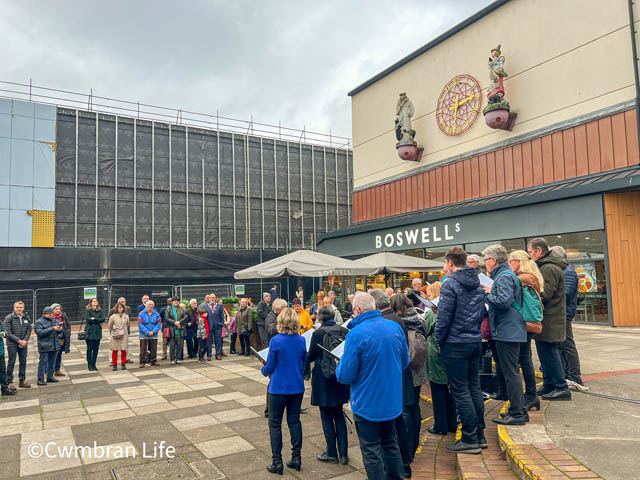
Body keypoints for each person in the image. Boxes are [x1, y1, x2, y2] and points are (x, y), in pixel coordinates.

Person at [337, 293, 409, 480]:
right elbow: (404, 362)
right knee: (390, 443)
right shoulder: (394, 327)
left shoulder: (356, 334)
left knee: (371, 450)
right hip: (391, 400)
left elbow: (345, 375)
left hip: (367, 403)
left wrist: (340, 362)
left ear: (357, 310)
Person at [435, 246, 486, 454]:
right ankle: (479, 434)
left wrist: (439, 340)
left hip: (455, 343)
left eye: (445, 263)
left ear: (450, 262)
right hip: (474, 340)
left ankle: (469, 437)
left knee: (460, 390)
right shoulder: (477, 282)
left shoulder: (451, 285)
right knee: (474, 388)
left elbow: (443, 318)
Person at [370, 289, 414, 478]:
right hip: (399, 376)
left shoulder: (388, 322)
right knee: (398, 423)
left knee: (396, 426)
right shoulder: (396, 319)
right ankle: (404, 464)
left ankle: (401, 466)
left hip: (392, 379)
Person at [481, 245, 527, 426]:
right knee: (511, 372)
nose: (484, 264)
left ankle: (516, 413)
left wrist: (487, 294)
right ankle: (518, 409)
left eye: (485, 260)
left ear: (493, 260)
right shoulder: (505, 275)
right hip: (509, 330)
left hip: (508, 331)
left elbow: (504, 301)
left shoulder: (504, 276)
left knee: (510, 373)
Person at [261, 307, 307, 475]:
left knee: (275, 424)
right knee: (294, 422)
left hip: (278, 388)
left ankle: (277, 462)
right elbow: (302, 363)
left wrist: (263, 370)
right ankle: (296, 457)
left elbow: (270, 366)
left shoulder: (276, 341)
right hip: (296, 386)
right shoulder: (301, 340)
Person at [527, 238, 571, 401]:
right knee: (544, 353)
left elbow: (546, 294)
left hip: (550, 319)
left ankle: (561, 387)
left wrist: (529, 294)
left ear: (539, 251)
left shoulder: (549, 268)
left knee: (550, 352)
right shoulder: (545, 266)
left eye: (531, 252)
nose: (530, 256)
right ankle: (549, 383)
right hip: (546, 318)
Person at [307, 306, 350, 464]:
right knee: (339, 415)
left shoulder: (318, 333)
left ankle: (331, 452)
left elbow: (311, 356)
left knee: (326, 415)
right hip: (339, 377)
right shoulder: (344, 331)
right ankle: (344, 454)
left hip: (323, 379)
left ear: (319, 318)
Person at [391, 294, 428, 461]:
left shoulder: (400, 323)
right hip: (419, 368)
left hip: (407, 370)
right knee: (415, 407)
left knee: (405, 409)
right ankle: (415, 442)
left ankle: (407, 447)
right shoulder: (419, 318)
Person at [508, 250, 543, 412]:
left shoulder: (522, 278)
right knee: (525, 359)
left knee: (525, 360)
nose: (509, 264)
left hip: (524, 323)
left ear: (520, 262)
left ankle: (530, 396)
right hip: (527, 323)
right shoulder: (530, 276)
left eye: (511, 261)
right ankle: (531, 395)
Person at [551, 246, 587, 391]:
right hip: (560, 313)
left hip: (563, 314)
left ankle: (574, 376)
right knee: (561, 345)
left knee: (567, 345)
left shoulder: (568, 272)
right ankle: (567, 373)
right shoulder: (563, 271)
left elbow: (565, 294)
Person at [424, 284, 457, 435]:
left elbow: (428, 330)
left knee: (438, 391)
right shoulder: (450, 308)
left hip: (435, 354)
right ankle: (451, 423)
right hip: (450, 352)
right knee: (450, 392)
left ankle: (440, 425)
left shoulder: (432, 311)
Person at [3, 301, 32, 390]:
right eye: (17, 307)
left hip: (23, 344)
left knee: (23, 362)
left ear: (23, 308)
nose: (19, 309)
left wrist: (25, 341)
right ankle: (9, 382)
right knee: (11, 362)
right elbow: (8, 333)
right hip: (12, 344)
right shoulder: (8, 318)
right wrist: (19, 341)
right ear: (14, 308)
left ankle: (22, 381)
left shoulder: (26, 317)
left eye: (21, 307)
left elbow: (29, 329)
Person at [35, 306, 62, 385]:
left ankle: (50, 377)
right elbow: (40, 333)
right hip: (44, 346)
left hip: (54, 345)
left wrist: (60, 330)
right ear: (45, 314)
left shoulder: (55, 320)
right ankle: (40, 379)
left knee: (52, 362)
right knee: (43, 363)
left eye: (52, 314)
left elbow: (58, 333)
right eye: (50, 314)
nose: (51, 315)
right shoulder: (39, 322)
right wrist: (52, 328)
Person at [138, 300, 161, 367]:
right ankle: (142, 362)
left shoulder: (156, 314)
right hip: (143, 334)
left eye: (152, 305)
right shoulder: (141, 314)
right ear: (146, 306)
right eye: (149, 305)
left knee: (154, 348)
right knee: (143, 349)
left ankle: (153, 361)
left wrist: (153, 331)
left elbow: (158, 324)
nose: (150, 306)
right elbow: (140, 324)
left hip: (154, 334)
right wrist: (147, 332)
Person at [165, 297, 186, 365]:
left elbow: (185, 317)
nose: (176, 302)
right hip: (172, 330)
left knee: (180, 345)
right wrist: (174, 322)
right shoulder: (168, 309)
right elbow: (166, 318)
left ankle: (178, 358)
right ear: (172, 302)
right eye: (174, 301)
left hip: (180, 329)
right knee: (172, 345)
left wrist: (179, 323)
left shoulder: (182, 309)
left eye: (177, 301)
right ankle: (172, 359)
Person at [84, 299, 105, 372]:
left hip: (97, 332)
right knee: (89, 349)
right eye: (93, 301)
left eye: (96, 301)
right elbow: (88, 319)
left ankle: (94, 364)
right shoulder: (88, 311)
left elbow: (103, 319)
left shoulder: (100, 311)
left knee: (96, 350)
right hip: (90, 332)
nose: (95, 302)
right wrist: (97, 319)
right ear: (90, 303)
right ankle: (89, 365)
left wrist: (94, 318)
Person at [51, 303, 71, 377]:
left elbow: (68, 325)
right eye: (56, 309)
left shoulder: (63, 316)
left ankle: (57, 370)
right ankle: (49, 371)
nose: (58, 310)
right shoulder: (50, 317)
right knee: (51, 356)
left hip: (62, 338)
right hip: (53, 339)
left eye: (59, 309)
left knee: (59, 355)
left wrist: (67, 333)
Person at [108, 303, 129, 371]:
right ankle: (114, 365)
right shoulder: (113, 316)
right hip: (115, 335)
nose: (120, 309)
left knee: (123, 350)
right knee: (115, 350)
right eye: (119, 307)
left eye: (121, 307)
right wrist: (113, 332)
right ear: (116, 308)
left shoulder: (126, 316)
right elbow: (109, 326)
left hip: (124, 335)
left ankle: (123, 364)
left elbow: (128, 324)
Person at [0, 319, 16, 396]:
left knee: (3, 371)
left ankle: (4, 389)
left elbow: (4, 331)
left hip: (0, 351)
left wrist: (4, 333)